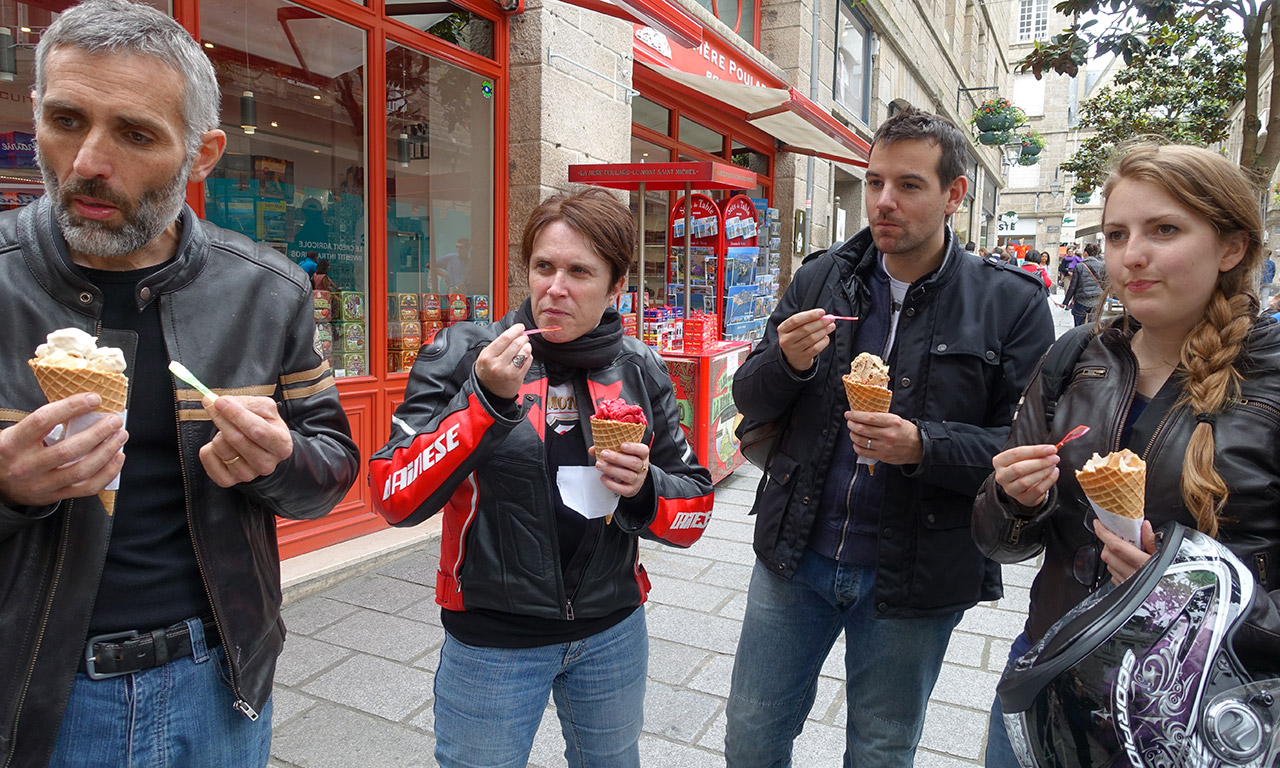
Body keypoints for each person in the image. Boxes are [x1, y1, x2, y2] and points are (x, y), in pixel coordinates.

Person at [0, 2, 360, 767]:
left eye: (135, 134)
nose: (89, 161)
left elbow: (331, 469)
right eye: (66, 119)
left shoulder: (267, 291)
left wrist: (280, 459)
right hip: (31, 691)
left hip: (220, 682)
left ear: (203, 154)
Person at [724, 105, 1055, 767]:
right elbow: (749, 400)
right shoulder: (823, 277)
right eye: (875, 182)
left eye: (908, 185)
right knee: (753, 733)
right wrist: (784, 361)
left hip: (915, 575)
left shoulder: (1010, 303)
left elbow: (1026, 450)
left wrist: (923, 445)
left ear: (954, 194)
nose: (882, 201)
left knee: (881, 746)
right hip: (797, 553)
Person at [370, 188, 714, 768]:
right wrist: (482, 402)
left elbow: (695, 508)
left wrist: (646, 488)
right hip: (492, 639)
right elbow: (393, 494)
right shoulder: (465, 352)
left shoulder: (641, 367)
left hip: (612, 630)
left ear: (617, 287)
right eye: (543, 267)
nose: (555, 288)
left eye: (580, 271)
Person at [973, 144, 1279, 767]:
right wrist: (1011, 499)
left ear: (1231, 247)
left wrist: (1185, 595)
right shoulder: (1076, 356)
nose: (1130, 255)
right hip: (1052, 673)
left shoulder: (1270, 378)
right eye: (1117, 234)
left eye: (1164, 229)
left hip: (1199, 712)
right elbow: (999, 543)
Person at [1062, 241, 1105, 325]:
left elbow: (1073, 286)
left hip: (1081, 300)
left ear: (1085, 253)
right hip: (1097, 300)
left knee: (1079, 327)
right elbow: (1105, 283)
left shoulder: (1080, 266)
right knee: (1093, 326)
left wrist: (1065, 302)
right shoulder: (1102, 266)